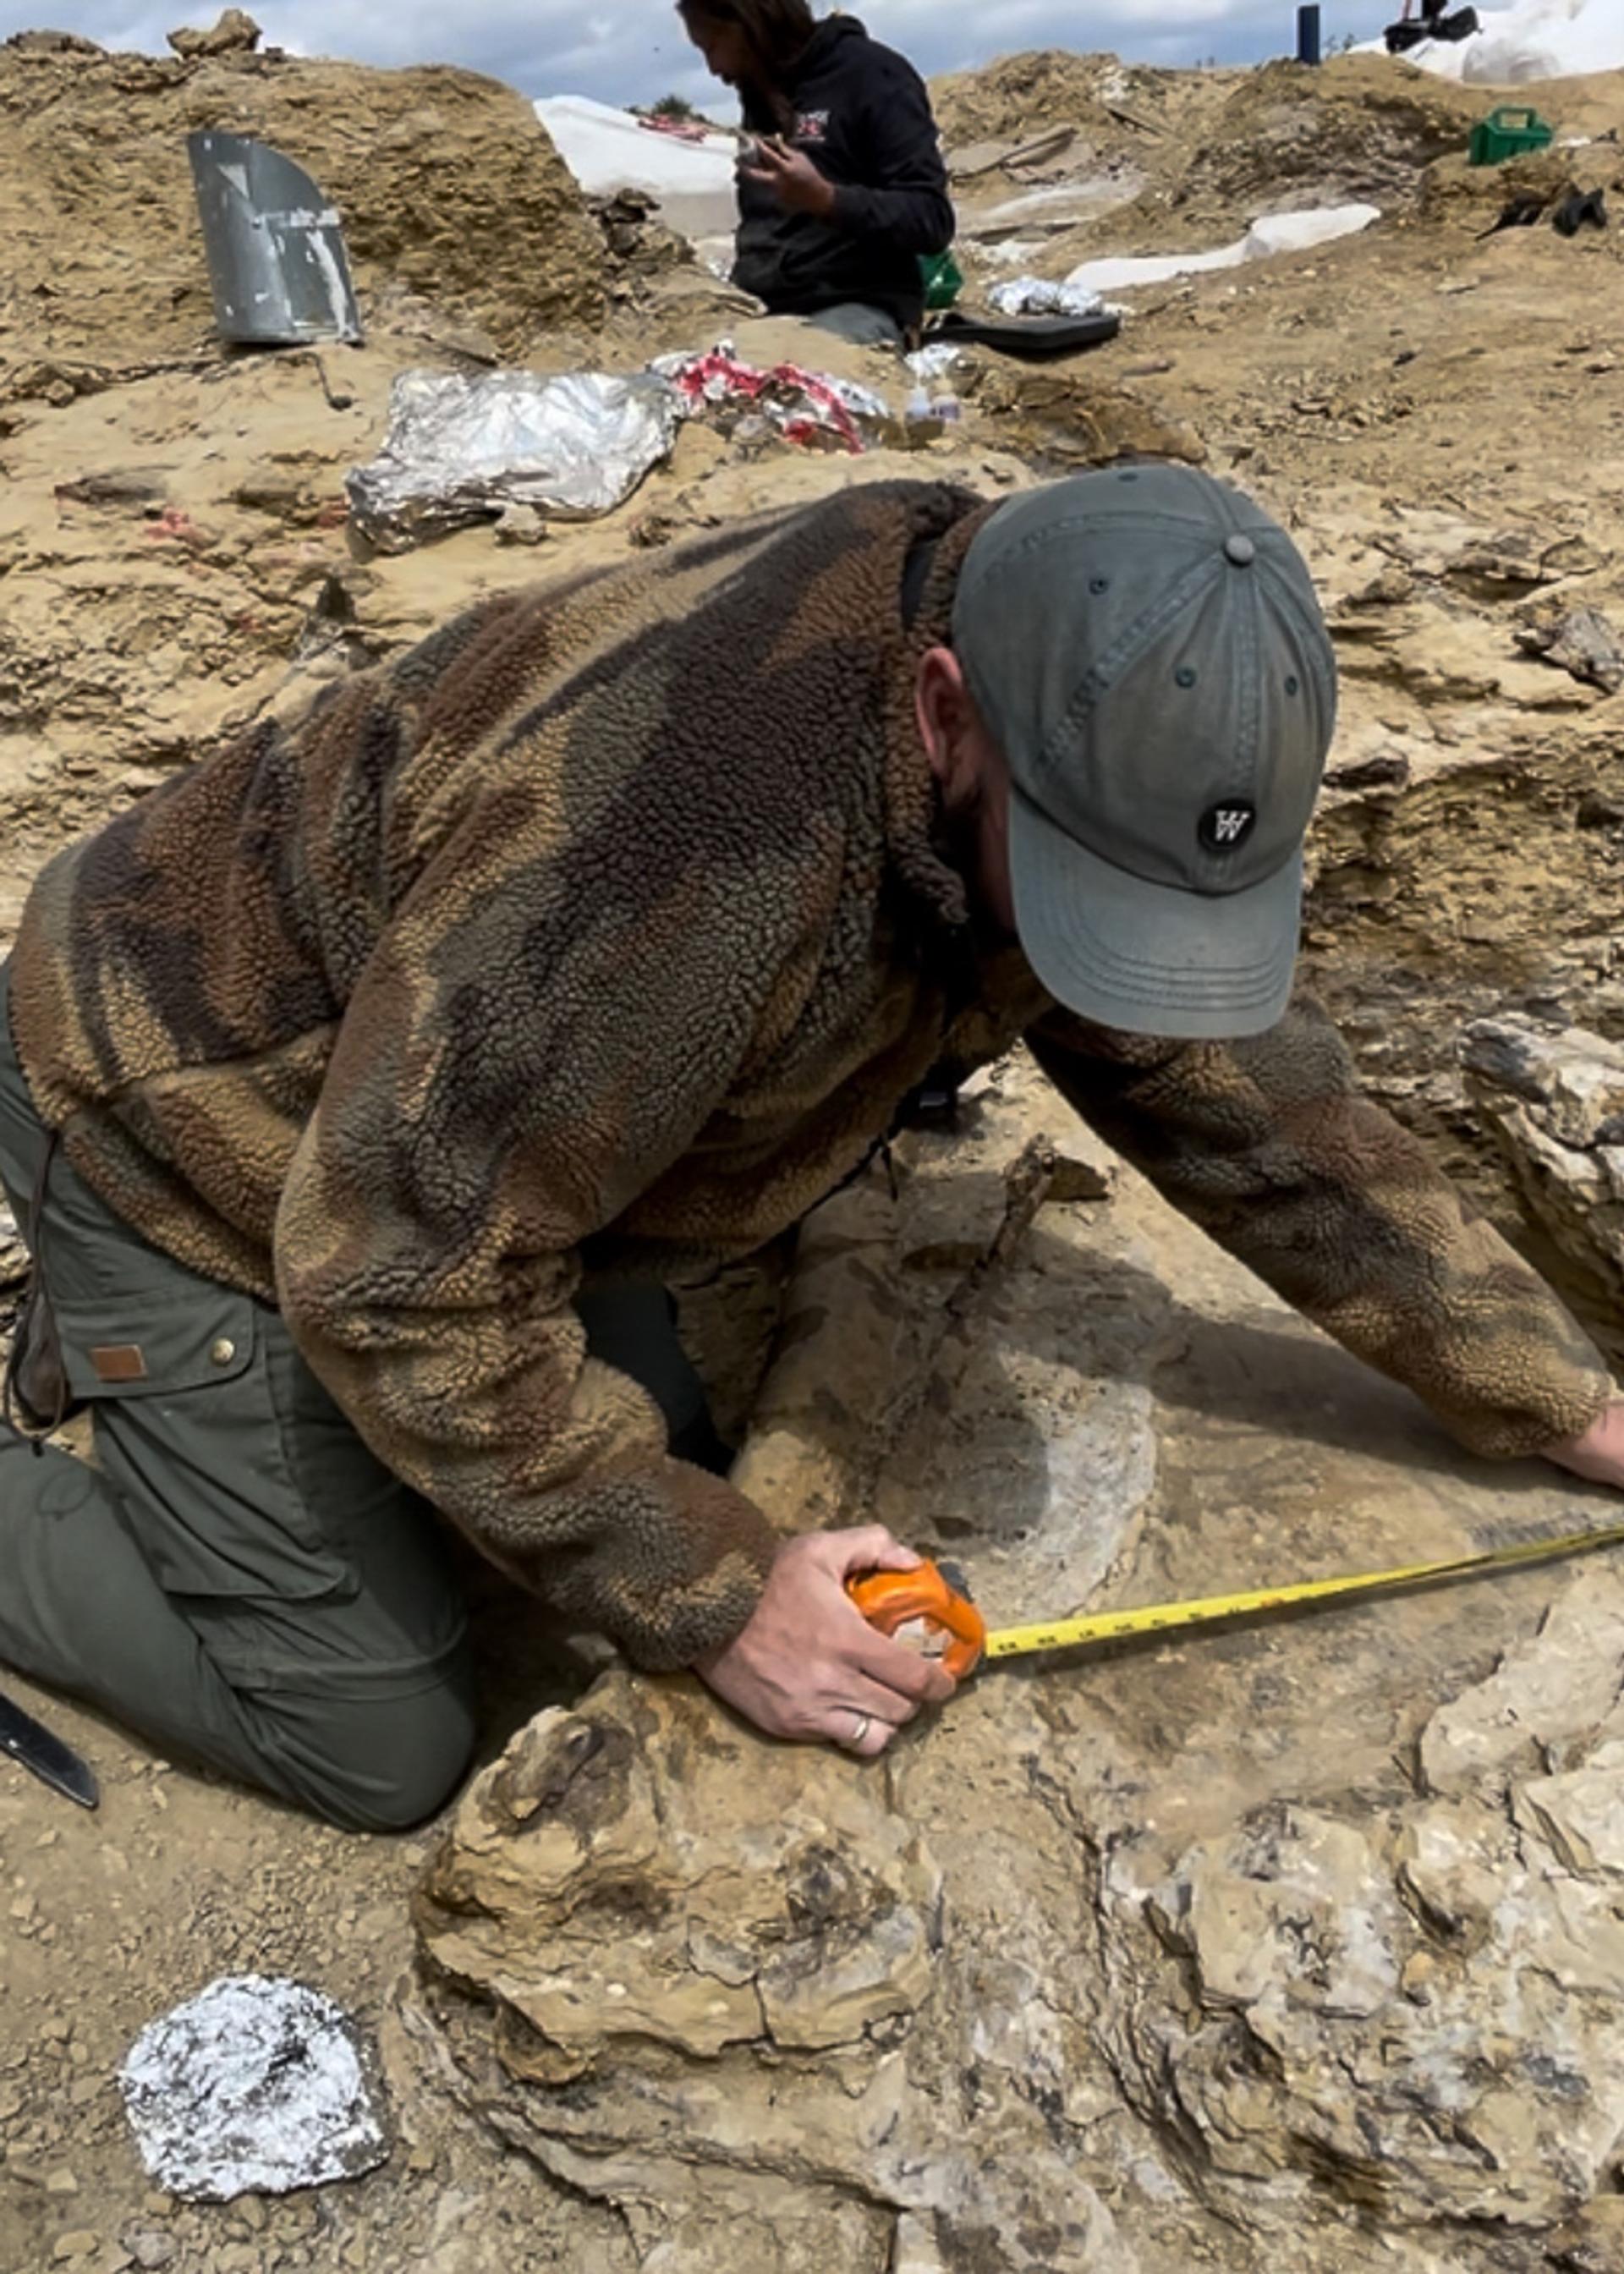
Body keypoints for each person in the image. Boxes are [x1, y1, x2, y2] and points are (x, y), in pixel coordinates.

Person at [3, 464, 1621, 1832]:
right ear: (944, 713)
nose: (1112, 959)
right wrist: (718, 1598)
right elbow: (389, 1274)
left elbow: (1236, 1090)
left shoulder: (1064, 671)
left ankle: (185, 1383)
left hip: (450, 1085)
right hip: (173, 1100)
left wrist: (1558, 1390)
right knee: (379, 1733)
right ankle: (128, 1329)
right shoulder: (679, 855)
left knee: (655, 1459)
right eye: (1085, 891)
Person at [678, 0, 954, 349]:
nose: (714, 68)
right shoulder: (762, 92)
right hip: (766, 311)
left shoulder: (872, 74)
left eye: (713, 45)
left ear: (751, 23)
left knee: (789, 368)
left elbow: (932, 219)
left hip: (857, 307)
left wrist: (827, 199)